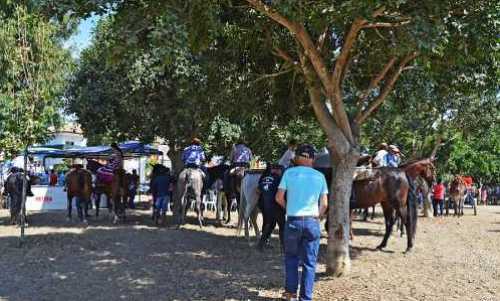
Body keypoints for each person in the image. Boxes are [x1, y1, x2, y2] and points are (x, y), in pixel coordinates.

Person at [276, 144, 328, 301]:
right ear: (313, 159)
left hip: (293, 221)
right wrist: (316, 217)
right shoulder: (320, 176)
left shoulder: (289, 173)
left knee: (291, 258)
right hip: (312, 222)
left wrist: (289, 208)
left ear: (297, 158)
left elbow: (278, 198)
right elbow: (324, 204)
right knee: (310, 263)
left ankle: (290, 293)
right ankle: (305, 298)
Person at [257, 163, 285, 252]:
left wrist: (266, 195)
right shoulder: (279, 179)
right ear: (277, 170)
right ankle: (283, 247)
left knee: (269, 225)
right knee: (282, 226)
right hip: (277, 206)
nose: (281, 172)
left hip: (267, 207)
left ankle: (261, 244)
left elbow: (257, 190)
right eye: (280, 170)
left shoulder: (264, 179)